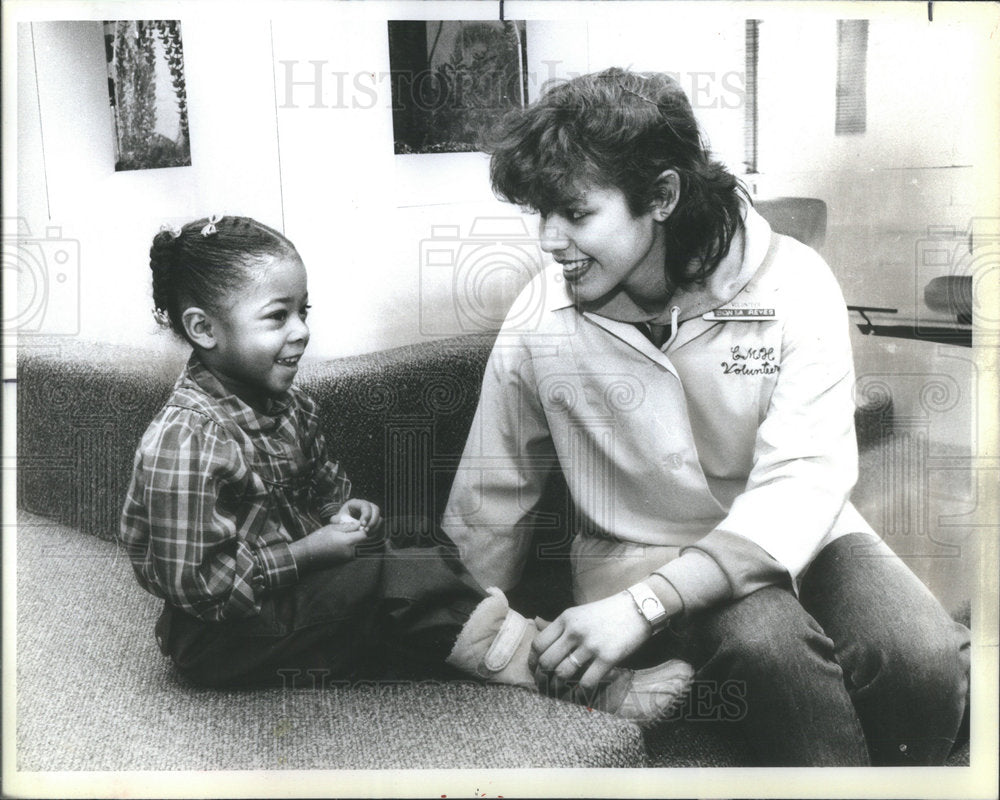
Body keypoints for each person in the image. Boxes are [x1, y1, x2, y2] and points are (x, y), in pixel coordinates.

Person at [442, 68, 971, 765]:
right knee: (769, 646)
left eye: (574, 212)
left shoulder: (794, 282)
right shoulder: (540, 317)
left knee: (924, 660)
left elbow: (805, 481)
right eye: (539, 212)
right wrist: (468, 633)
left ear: (661, 196)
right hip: (639, 550)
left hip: (805, 536)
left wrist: (645, 609)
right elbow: (491, 498)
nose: (548, 238)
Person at [119, 213, 690, 725]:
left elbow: (319, 484)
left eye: (303, 311)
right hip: (221, 637)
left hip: (291, 597)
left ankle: (484, 635)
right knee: (397, 576)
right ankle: (574, 679)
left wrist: (341, 512)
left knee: (416, 547)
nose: (301, 331)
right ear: (203, 329)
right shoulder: (186, 441)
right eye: (277, 317)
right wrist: (311, 552)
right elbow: (203, 586)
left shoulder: (280, 404)